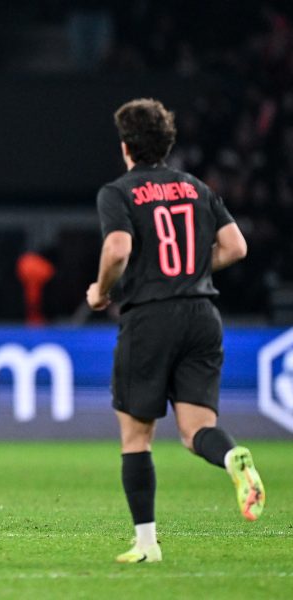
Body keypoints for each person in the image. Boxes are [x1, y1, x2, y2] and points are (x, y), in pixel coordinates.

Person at [86, 98, 265, 563]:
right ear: (167, 143)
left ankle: (147, 545)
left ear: (127, 147)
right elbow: (236, 246)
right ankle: (232, 459)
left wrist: (102, 291)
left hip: (151, 317)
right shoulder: (196, 187)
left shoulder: (118, 191)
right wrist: (188, 270)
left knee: (136, 437)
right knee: (196, 430)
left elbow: (118, 249)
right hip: (203, 314)